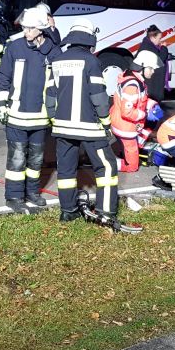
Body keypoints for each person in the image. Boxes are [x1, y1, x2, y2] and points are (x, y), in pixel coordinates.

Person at [46, 17, 119, 222]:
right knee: (105, 167)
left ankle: (68, 211)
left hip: (62, 126)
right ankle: (106, 212)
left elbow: (50, 96)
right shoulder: (92, 61)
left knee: (66, 170)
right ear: (89, 39)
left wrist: (55, 120)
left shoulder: (57, 60)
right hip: (89, 127)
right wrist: (105, 122)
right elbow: (99, 98)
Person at [0, 6, 55, 214]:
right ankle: (13, 196)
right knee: (17, 158)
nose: (25, 31)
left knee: (36, 158)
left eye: (29, 28)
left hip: (40, 117)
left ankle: (32, 193)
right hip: (17, 115)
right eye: (25, 28)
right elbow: (3, 77)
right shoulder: (15, 47)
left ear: (40, 29)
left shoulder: (53, 51)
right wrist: (0, 105)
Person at [110, 49, 164, 173]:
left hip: (125, 124)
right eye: (151, 68)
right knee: (132, 166)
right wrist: (145, 114)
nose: (153, 71)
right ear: (143, 67)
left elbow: (140, 100)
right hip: (125, 128)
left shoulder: (135, 79)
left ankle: (131, 149)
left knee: (150, 125)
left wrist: (153, 106)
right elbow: (127, 112)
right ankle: (107, 163)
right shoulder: (132, 85)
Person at [137, 25, 171, 103]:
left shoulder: (147, 45)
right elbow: (160, 59)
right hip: (152, 89)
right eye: (159, 38)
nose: (160, 41)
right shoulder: (148, 47)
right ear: (152, 38)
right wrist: (164, 48)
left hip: (152, 88)